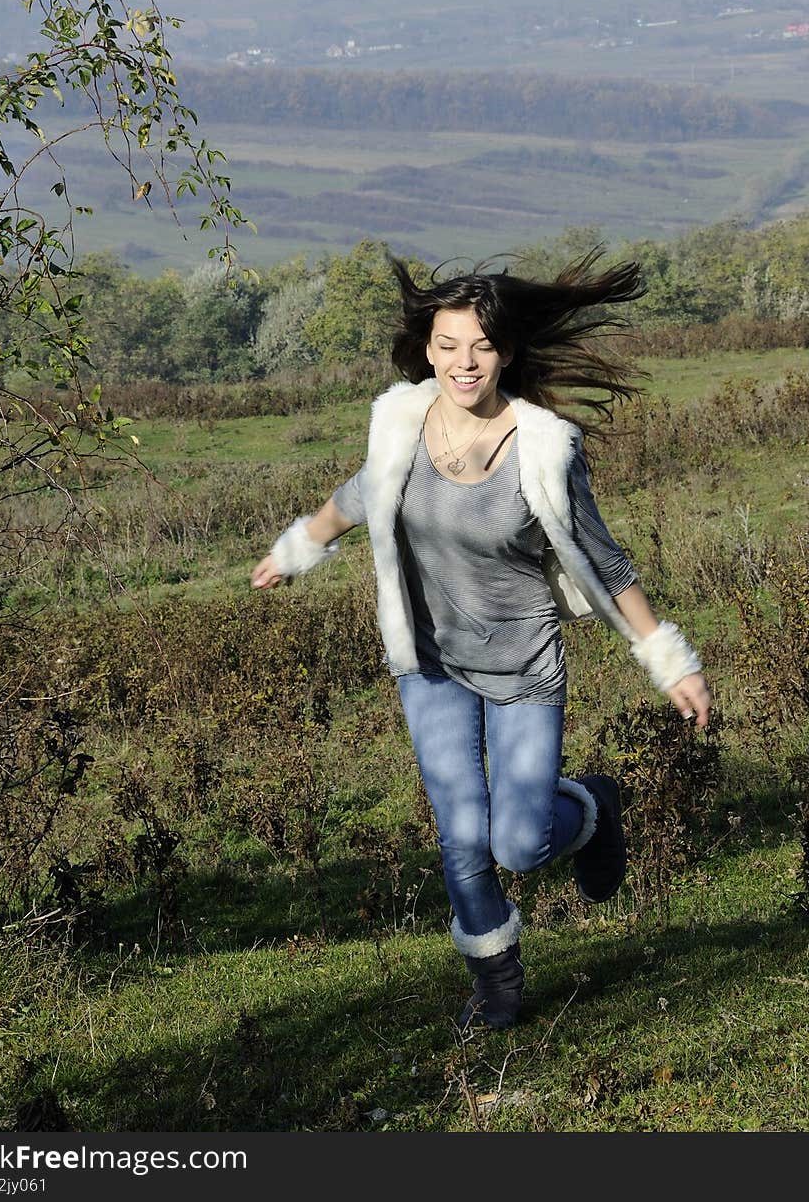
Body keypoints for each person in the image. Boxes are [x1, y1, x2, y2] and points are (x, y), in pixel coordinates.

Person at [251, 250, 711, 1030]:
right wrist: (295, 551)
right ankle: (497, 989)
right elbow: (356, 497)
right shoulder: (400, 425)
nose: (465, 363)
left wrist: (668, 661)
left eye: (483, 346)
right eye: (450, 345)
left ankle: (593, 807)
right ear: (428, 349)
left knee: (520, 845)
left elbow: (605, 560)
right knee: (462, 836)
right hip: (429, 664)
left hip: (524, 664)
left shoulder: (543, 448)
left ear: (505, 352)